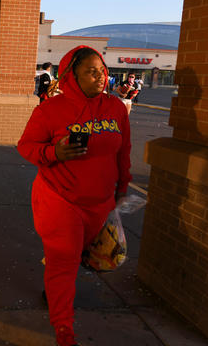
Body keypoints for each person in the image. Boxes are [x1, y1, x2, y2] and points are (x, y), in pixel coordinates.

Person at [16, 45, 131, 346]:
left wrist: (122, 188)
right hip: (60, 199)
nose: (101, 77)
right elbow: (26, 147)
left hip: (100, 203)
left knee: (73, 255)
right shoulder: (50, 110)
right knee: (65, 260)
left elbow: (124, 152)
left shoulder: (116, 108)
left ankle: (53, 285)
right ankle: (64, 330)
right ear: (71, 77)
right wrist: (55, 152)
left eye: (103, 70)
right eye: (91, 72)